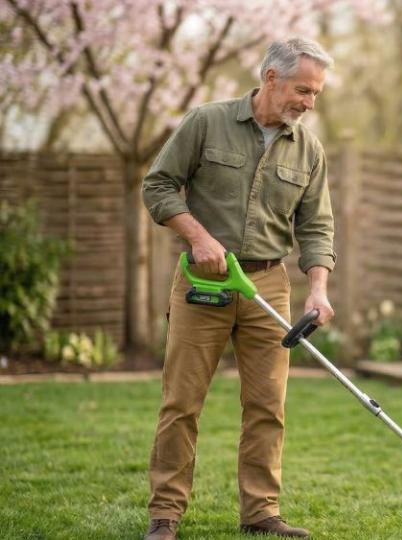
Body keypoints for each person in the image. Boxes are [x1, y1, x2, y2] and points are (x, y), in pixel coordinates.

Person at [140, 37, 337, 540]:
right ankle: (165, 515)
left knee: (268, 405)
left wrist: (318, 289)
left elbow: (317, 227)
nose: (309, 103)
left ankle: (261, 512)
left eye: (316, 94)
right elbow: (158, 185)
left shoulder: (309, 149)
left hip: (268, 285)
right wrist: (198, 236)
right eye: (303, 90)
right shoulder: (207, 122)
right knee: (182, 402)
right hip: (204, 280)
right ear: (271, 78)